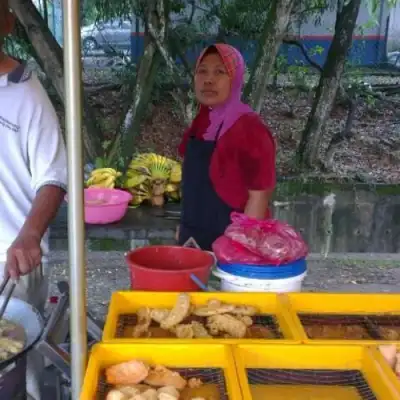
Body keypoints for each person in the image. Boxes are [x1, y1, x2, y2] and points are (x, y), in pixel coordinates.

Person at [0, 2, 67, 399]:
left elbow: (54, 178)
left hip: (12, 263)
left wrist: (29, 234)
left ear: (7, 22)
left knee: (9, 378)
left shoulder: (27, 93)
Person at [178, 43, 276, 250]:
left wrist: (240, 248)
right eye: (202, 71)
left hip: (231, 244)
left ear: (236, 78)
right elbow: (193, 184)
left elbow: (259, 195)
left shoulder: (251, 129)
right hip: (191, 240)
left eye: (220, 72)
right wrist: (182, 227)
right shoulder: (201, 123)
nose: (209, 79)